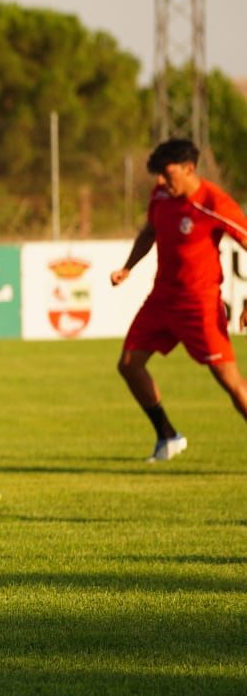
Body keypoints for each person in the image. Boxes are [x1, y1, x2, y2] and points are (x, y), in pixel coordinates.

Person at [112, 138, 247, 459]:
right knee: (129, 365)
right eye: (157, 174)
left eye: (166, 173)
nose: (160, 181)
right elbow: (149, 233)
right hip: (161, 300)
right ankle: (167, 436)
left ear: (189, 169)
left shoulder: (213, 202)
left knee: (229, 381)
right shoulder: (161, 195)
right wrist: (127, 268)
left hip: (198, 306)